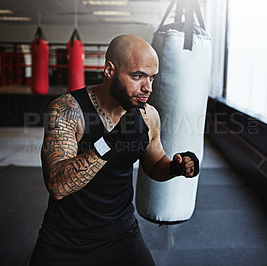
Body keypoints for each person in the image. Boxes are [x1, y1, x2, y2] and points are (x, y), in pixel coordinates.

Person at [29, 34, 200, 266]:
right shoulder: (68, 110)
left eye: (152, 78)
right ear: (109, 70)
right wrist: (110, 141)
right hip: (64, 240)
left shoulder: (148, 116)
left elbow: (154, 164)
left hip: (122, 234)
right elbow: (58, 186)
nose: (147, 88)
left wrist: (175, 167)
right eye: (137, 76)